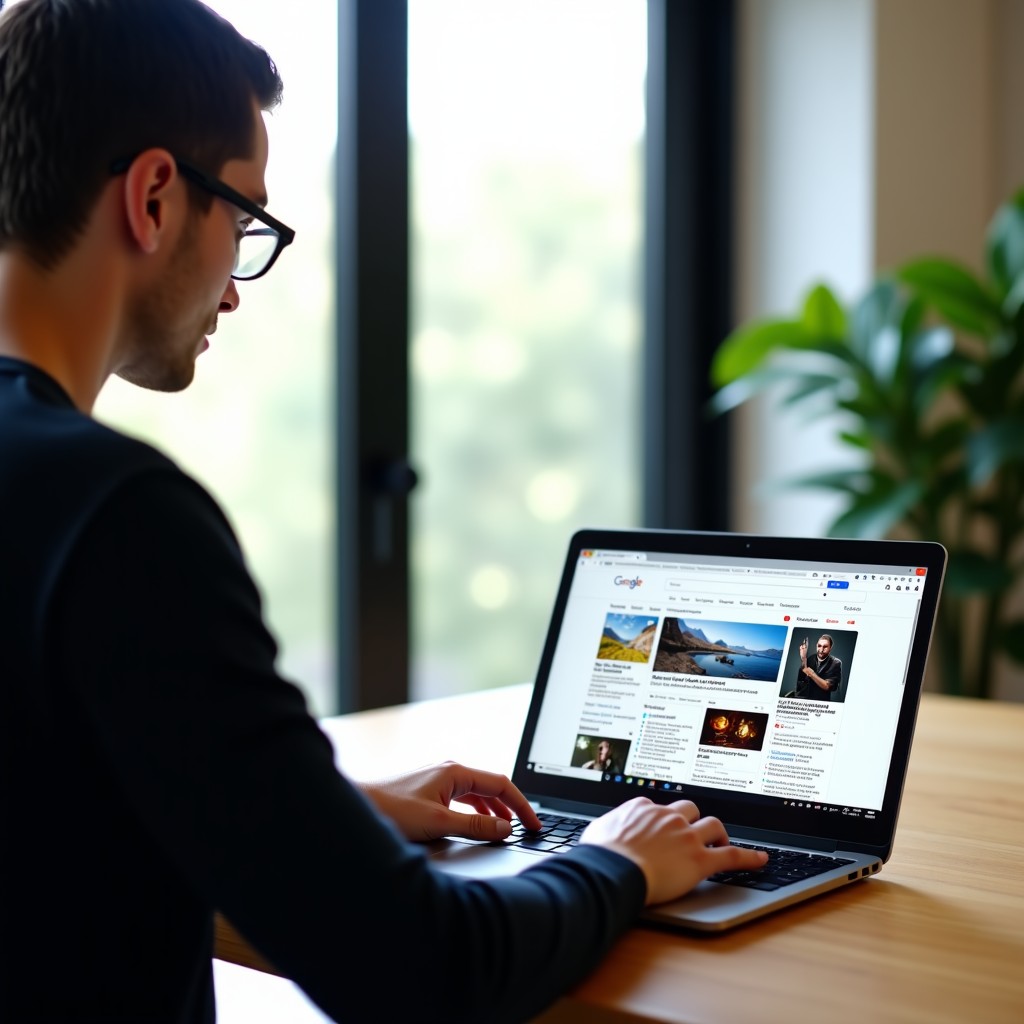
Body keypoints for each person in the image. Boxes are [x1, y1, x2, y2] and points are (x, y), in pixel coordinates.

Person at [0, 2, 767, 1022]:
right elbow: (423, 967)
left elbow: (52, 807)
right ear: (152, 196)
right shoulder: (119, 519)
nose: (235, 288)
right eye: (247, 219)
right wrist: (614, 863)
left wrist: (324, 817)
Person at [794, 634, 843, 700]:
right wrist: (803, 658)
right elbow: (804, 676)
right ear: (816, 645)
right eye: (819, 646)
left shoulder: (836, 663)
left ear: (830, 648)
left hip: (821, 703)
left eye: (825, 647)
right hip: (806, 700)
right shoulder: (811, 658)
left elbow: (828, 686)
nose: (821, 649)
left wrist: (812, 674)